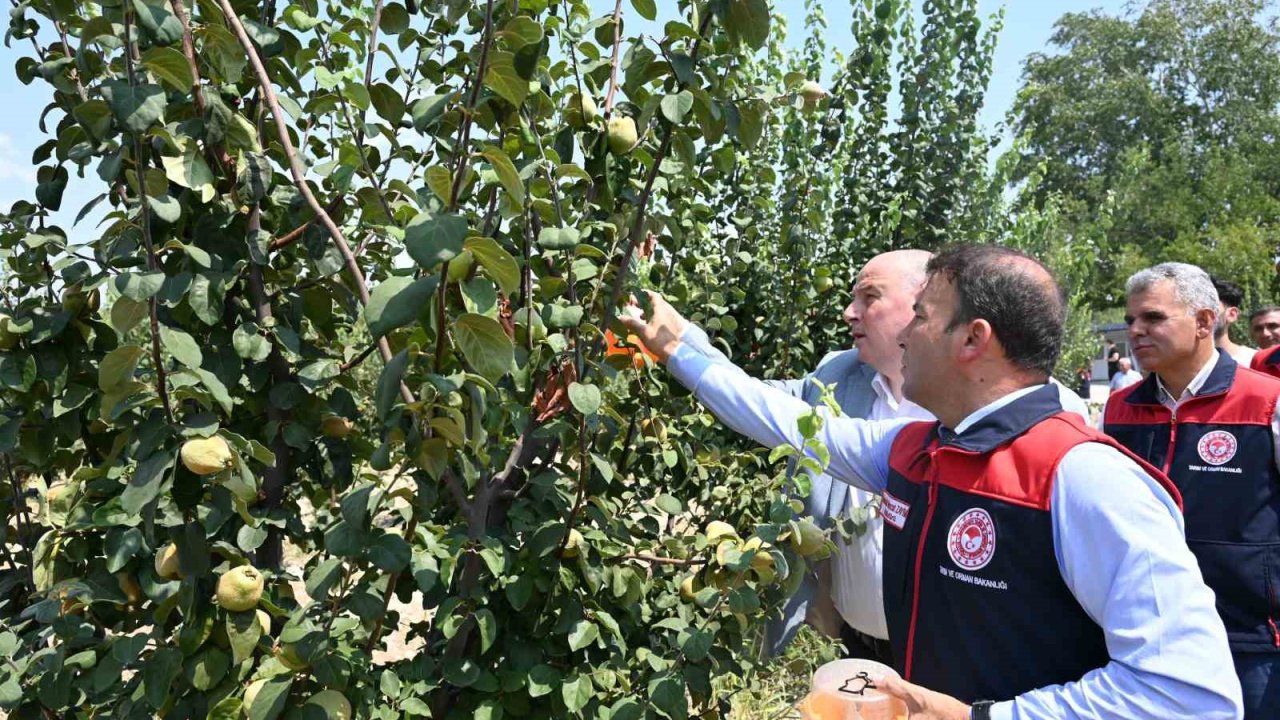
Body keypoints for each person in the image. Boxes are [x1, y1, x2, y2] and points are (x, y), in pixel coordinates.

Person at [623, 245, 1240, 719]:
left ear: (973, 340)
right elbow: (789, 423)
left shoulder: (1083, 477)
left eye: (920, 316)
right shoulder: (913, 449)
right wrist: (679, 348)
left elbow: (1189, 693)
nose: (904, 333)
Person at [1101, 262, 1280, 719]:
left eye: (1153, 318)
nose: (1136, 331)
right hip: (1147, 635)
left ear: (1204, 322)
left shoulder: (1267, 402)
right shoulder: (1119, 409)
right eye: (1131, 321)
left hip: (1250, 638)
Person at [1211, 276, 1257, 365]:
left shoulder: (1254, 361)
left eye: (1210, 306)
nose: (1201, 314)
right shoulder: (1179, 364)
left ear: (1232, 314)